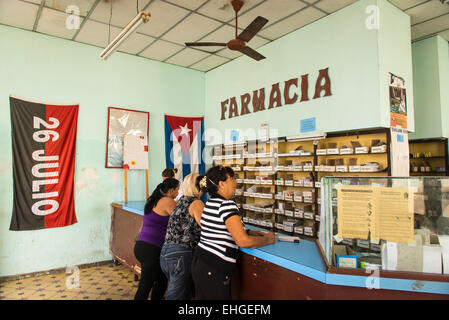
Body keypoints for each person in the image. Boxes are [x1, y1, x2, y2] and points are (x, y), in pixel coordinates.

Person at [191, 165, 275, 300]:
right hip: (214, 269)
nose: (236, 182)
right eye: (232, 178)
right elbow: (243, 241)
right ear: (221, 184)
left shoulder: (211, 203)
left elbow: (219, 228)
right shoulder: (226, 205)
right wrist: (268, 239)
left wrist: (248, 231)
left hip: (201, 262)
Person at [159, 173, 205, 300]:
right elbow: (207, 228)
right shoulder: (197, 204)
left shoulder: (179, 202)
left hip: (166, 254)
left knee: (185, 294)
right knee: (176, 296)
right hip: (182, 255)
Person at [134, 178, 180, 300]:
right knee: (145, 286)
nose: (177, 193)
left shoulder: (153, 200)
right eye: (177, 190)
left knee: (162, 280)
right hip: (151, 249)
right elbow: (180, 220)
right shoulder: (167, 201)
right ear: (171, 190)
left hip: (142, 246)